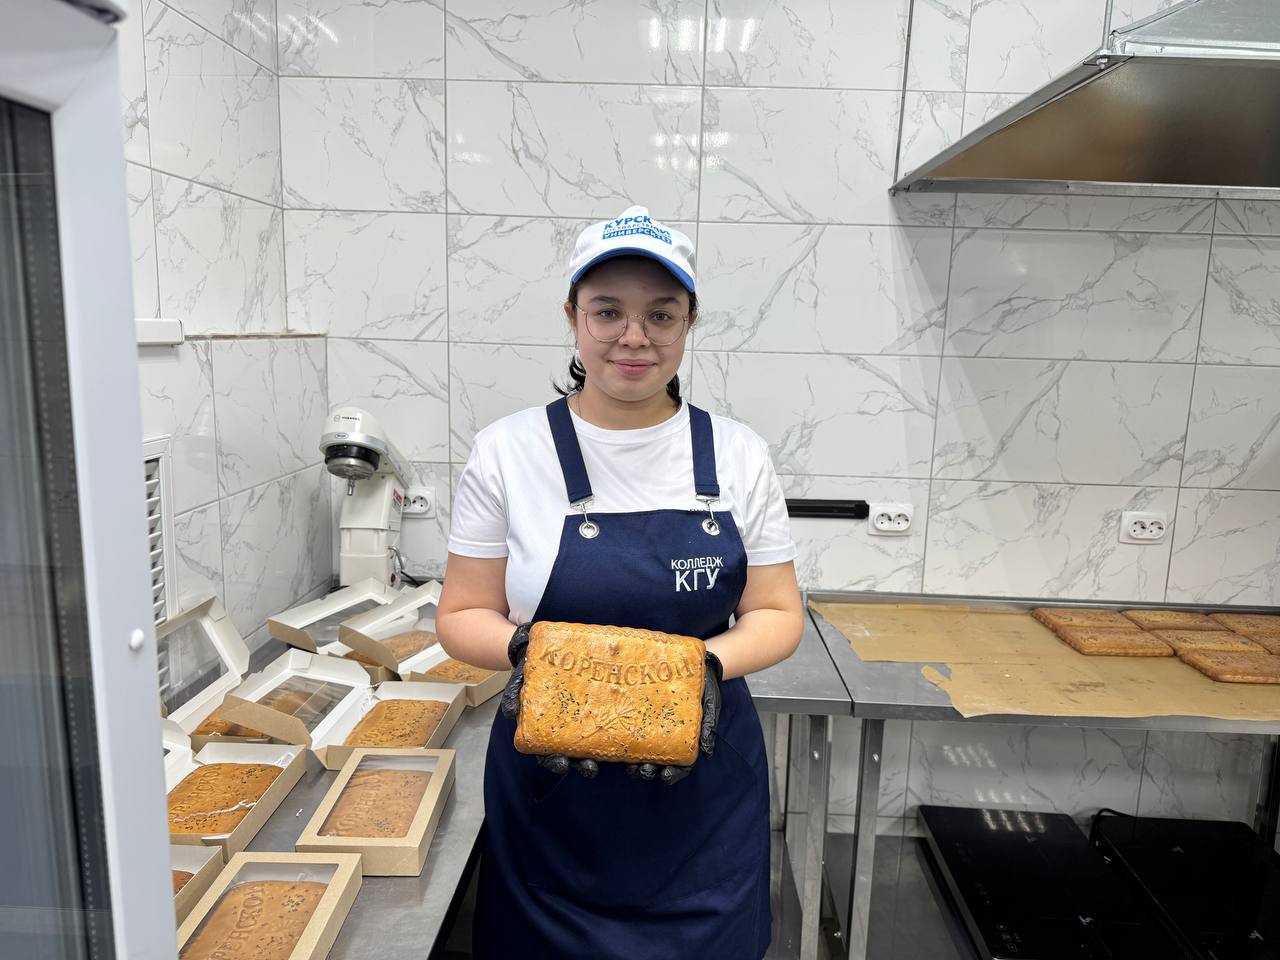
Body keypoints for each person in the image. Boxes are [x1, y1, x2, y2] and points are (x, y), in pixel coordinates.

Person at [436, 204, 804, 959]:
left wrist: (699, 669)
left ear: (688, 323)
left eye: (660, 314)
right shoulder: (507, 451)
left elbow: (777, 612)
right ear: (573, 317)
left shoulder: (738, 456)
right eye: (608, 312)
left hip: (704, 804)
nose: (634, 337)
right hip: (552, 806)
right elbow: (462, 613)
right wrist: (547, 662)